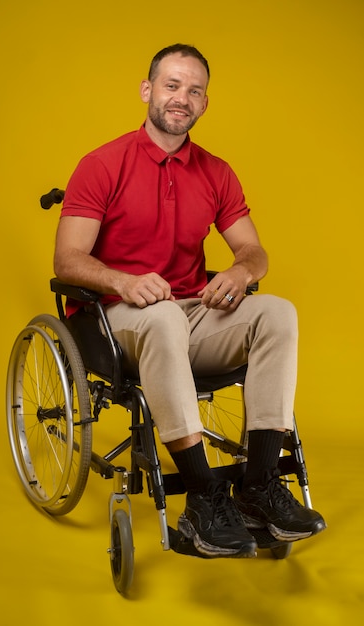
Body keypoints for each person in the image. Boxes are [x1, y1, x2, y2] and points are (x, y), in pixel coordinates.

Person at [54, 43, 326, 558]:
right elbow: (67, 260)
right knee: (159, 317)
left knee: (277, 311)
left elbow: (251, 249)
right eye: (172, 85)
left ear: (204, 104)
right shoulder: (102, 164)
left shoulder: (216, 172)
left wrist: (243, 271)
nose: (182, 98)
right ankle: (202, 494)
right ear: (148, 91)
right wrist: (122, 282)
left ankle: (259, 487)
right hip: (115, 320)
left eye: (194, 90)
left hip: (190, 313)